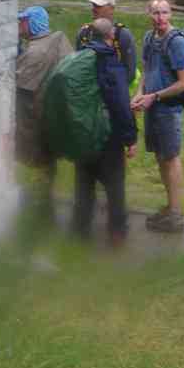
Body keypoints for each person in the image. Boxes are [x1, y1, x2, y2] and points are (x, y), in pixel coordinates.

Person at [71, 18, 138, 245]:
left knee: (83, 184)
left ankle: (80, 231)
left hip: (82, 133)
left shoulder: (78, 60)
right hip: (107, 136)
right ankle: (116, 233)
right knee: (115, 186)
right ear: (110, 37)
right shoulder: (111, 64)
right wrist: (130, 138)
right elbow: (120, 103)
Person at [130, 0, 184, 233]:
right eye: (156, 13)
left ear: (171, 14)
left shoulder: (176, 42)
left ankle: (176, 216)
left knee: (171, 158)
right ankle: (170, 207)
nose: (160, 18)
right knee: (160, 158)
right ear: (149, 15)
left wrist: (153, 97)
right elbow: (147, 70)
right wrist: (139, 93)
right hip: (151, 108)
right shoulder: (148, 37)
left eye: (164, 13)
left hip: (168, 109)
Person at [15, 5, 73, 217]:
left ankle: (39, 210)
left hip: (35, 120)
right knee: (48, 165)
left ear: (31, 24)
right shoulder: (58, 40)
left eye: (22, 21)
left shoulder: (35, 52)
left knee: (35, 164)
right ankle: (45, 203)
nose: (19, 24)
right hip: (55, 117)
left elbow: (18, 83)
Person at [75, 0, 137, 87]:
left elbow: (130, 72)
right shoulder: (84, 33)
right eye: (93, 5)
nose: (94, 9)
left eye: (99, 6)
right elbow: (78, 67)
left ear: (111, 9)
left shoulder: (123, 35)